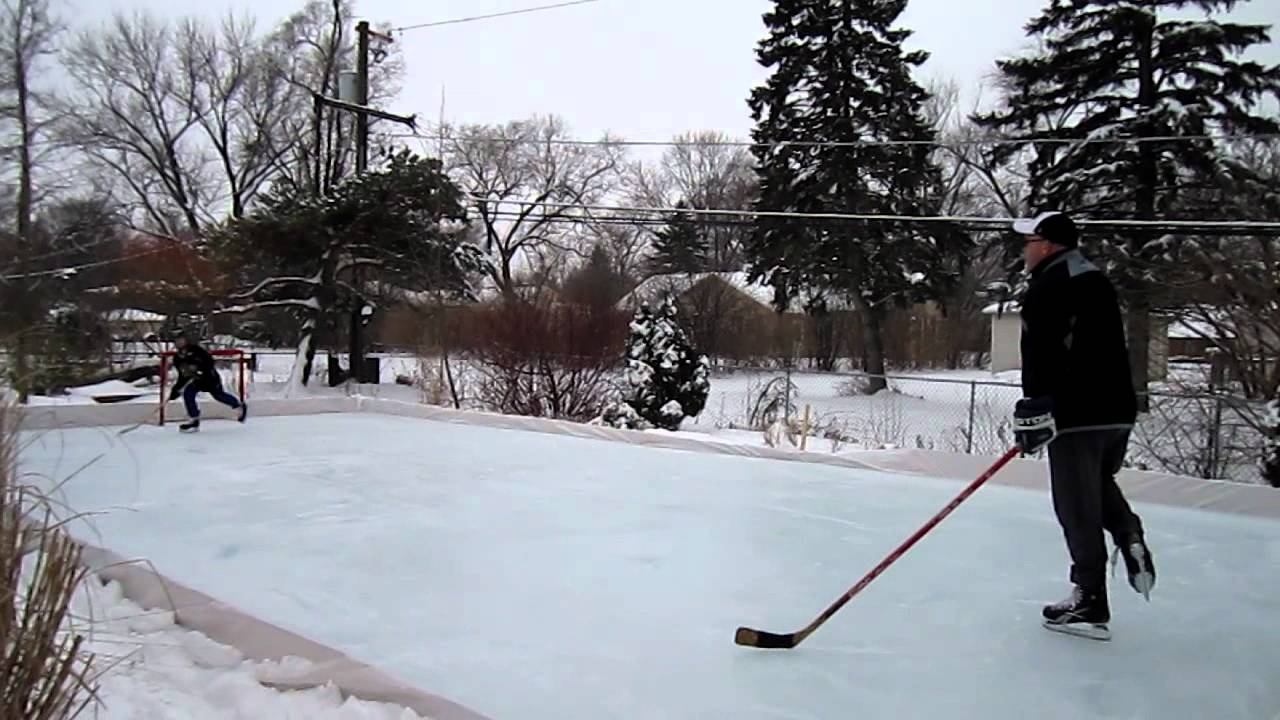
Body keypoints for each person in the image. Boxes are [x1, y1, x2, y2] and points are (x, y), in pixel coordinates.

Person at [1010, 210, 1156, 641]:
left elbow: (1045, 352)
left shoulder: (1049, 286)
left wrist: (1035, 407)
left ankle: (1090, 598)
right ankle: (1128, 531)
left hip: (1075, 412)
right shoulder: (1093, 277)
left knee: (1075, 504)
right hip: (1116, 410)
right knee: (1095, 483)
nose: (1025, 249)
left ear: (1049, 245)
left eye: (1030, 241)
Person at [167, 330, 247, 433]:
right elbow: (183, 376)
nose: (178, 342)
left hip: (210, 379)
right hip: (196, 381)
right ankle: (194, 420)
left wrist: (201, 369)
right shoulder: (178, 358)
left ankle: (238, 405)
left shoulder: (196, 350)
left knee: (219, 396)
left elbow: (209, 362)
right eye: (176, 340)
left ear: (185, 340)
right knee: (188, 393)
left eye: (180, 340)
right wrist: (176, 390)